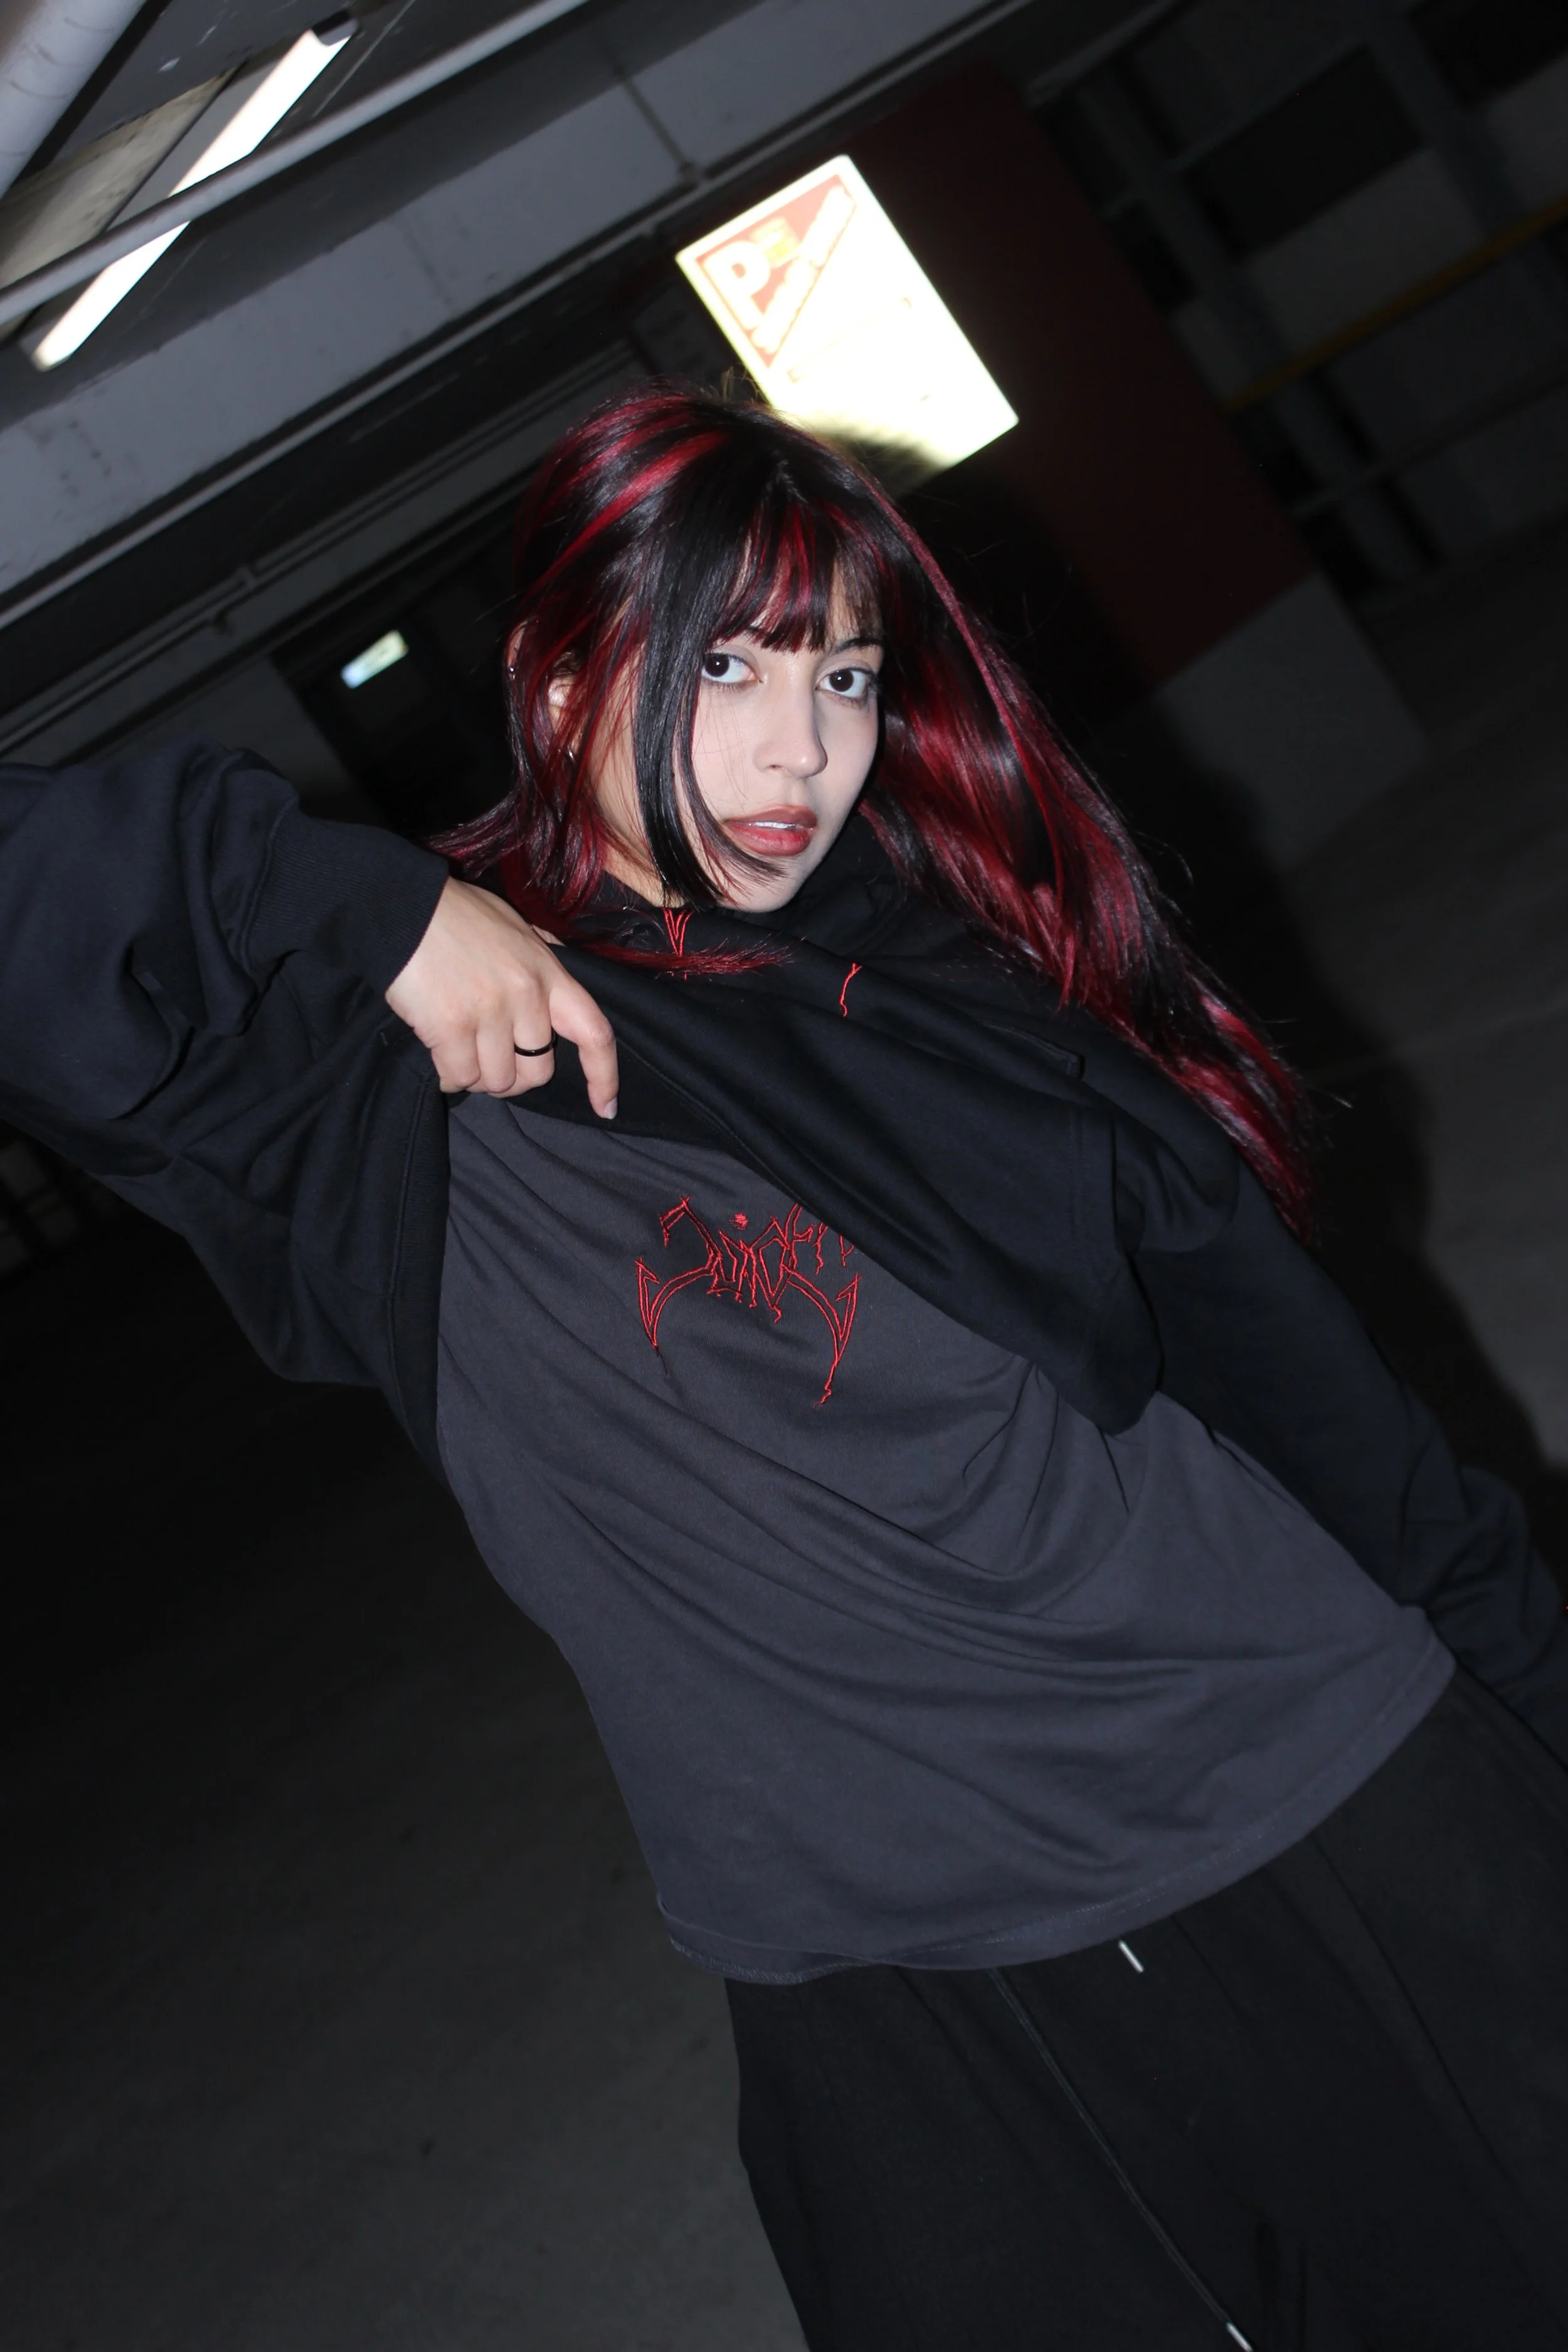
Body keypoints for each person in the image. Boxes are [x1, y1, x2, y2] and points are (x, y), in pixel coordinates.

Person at [3, 385, 1566, 2352]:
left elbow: (1334, 1429)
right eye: (725, 663)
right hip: (882, 1979)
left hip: (1307, 1796)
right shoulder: (376, 1080)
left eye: (843, 675)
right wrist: (366, 905)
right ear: (557, 681)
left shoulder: (937, 1002)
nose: (800, 751)